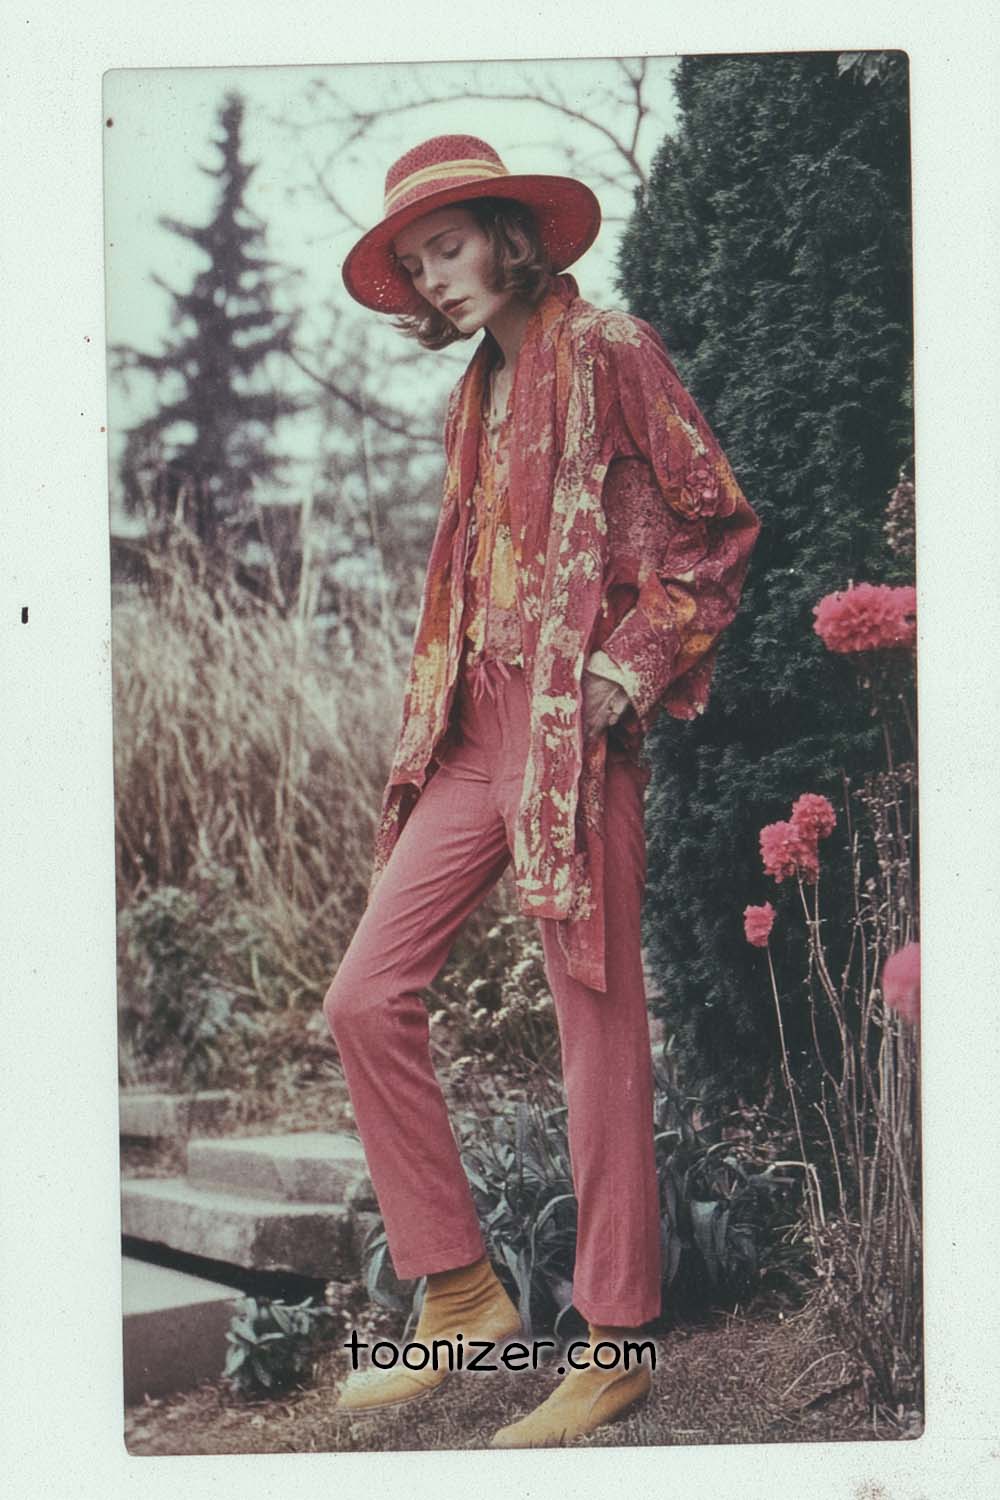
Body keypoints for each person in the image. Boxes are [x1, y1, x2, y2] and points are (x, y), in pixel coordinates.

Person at [324, 134, 761, 1447]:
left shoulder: (611, 349)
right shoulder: (476, 393)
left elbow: (717, 525)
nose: (431, 280)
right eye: (412, 265)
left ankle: (615, 1343)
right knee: (363, 997)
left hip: (577, 730)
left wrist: (631, 669)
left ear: (510, 233)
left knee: (598, 1033)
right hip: (472, 732)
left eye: (444, 248)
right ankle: (456, 1287)